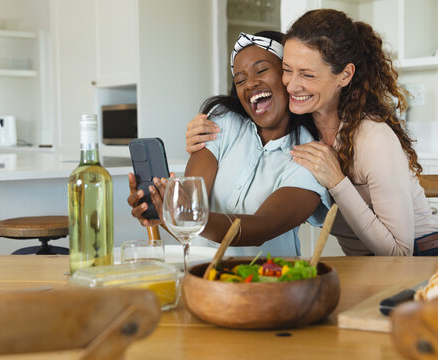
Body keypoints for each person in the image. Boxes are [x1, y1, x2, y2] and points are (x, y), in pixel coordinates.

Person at [186, 10, 438, 257]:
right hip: (364, 264)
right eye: (287, 70)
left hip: (425, 257)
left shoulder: (373, 139)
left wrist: (337, 182)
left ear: (344, 75)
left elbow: (398, 254)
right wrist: (199, 140)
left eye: (307, 75)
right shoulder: (303, 130)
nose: (292, 85)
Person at [128, 31, 331, 257]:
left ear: (287, 75)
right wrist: (162, 208)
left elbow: (262, 227)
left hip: (270, 283)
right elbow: (188, 209)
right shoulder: (223, 122)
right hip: (202, 277)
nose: (250, 84)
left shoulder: (312, 156)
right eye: (240, 80)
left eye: (261, 70)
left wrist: (189, 216)